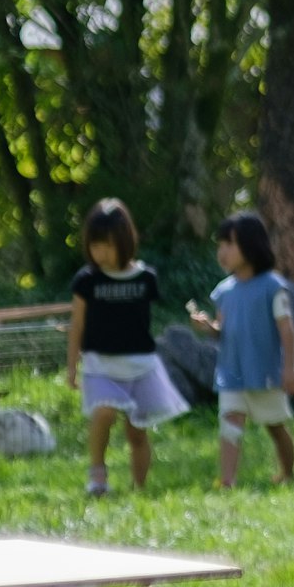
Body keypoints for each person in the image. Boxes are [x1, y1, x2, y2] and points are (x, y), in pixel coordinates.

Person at [69, 198, 187, 495]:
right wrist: (72, 366)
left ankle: (139, 487)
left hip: (140, 367)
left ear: (125, 241)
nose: (101, 253)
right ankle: (97, 474)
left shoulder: (146, 278)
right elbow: (77, 326)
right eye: (95, 246)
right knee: (104, 413)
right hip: (100, 365)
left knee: (137, 431)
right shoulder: (87, 281)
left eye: (107, 245)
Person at [190, 210, 294, 490]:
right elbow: (223, 330)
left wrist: (289, 369)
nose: (222, 251)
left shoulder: (273, 287)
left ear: (251, 246)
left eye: (229, 244)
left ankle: (287, 474)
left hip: (264, 371)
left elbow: (287, 329)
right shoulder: (223, 292)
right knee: (230, 422)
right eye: (220, 245)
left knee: (275, 426)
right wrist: (209, 328)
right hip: (231, 371)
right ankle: (227, 481)